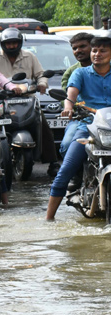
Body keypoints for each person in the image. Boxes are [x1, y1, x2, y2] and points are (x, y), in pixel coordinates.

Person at [45, 36, 111, 220]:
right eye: (95, 50)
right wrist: (68, 108)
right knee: (66, 169)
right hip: (88, 126)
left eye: (103, 50)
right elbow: (71, 94)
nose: (97, 54)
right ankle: (49, 218)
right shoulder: (80, 73)